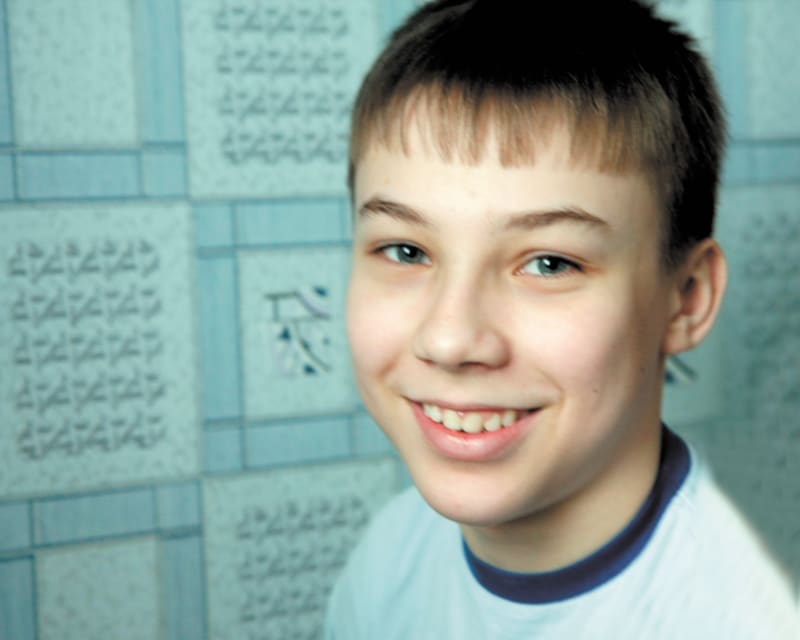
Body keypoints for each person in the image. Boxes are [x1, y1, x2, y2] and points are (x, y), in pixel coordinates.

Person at [326, 1, 799, 637]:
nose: (450, 339)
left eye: (549, 263)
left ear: (686, 298)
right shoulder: (388, 557)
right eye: (406, 251)